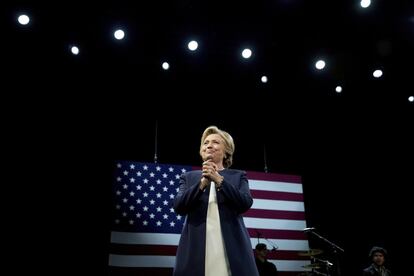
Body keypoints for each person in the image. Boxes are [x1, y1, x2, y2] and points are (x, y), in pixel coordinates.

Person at [173, 125, 259, 276]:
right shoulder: (189, 177)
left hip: (232, 248)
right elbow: (179, 206)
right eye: (205, 143)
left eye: (215, 142)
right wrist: (202, 184)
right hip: (196, 249)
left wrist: (219, 180)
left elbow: (245, 203)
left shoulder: (238, 176)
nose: (209, 146)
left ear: (226, 151)